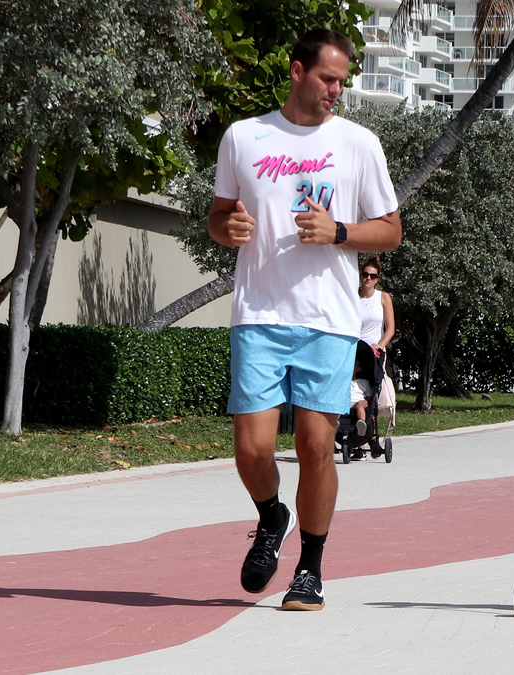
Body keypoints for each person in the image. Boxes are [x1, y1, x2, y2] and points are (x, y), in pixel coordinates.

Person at [208, 28, 402, 612]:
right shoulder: (243, 137)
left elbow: (390, 230)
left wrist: (340, 232)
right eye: (327, 78)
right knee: (252, 449)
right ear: (296, 72)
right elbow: (219, 218)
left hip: (329, 320)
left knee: (318, 445)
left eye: (343, 81)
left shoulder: (360, 144)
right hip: (259, 314)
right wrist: (227, 230)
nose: (336, 90)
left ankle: (309, 571)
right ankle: (272, 515)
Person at [354, 255, 395, 458]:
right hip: (354, 350)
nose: (368, 279)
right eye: (365, 274)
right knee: (352, 391)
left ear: (377, 279)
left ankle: (373, 438)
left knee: (373, 392)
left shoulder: (383, 298)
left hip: (374, 352)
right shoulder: (353, 297)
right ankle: (356, 440)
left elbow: (390, 328)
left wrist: (380, 345)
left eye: (373, 276)